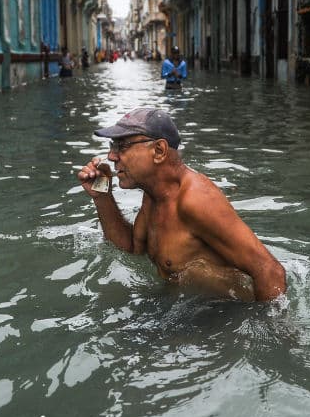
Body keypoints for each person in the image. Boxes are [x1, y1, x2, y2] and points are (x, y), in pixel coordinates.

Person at [76, 107, 287, 302]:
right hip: (185, 305)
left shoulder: (196, 200)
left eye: (122, 146)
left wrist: (272, 334)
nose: (112, 157)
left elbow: (270, 271)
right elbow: (131, 248)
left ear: (159, 151)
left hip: (224, 316)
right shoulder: (153, 194)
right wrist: (102, 196)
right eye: (112, 146)